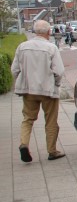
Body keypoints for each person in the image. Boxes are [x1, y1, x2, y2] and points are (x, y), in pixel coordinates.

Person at [11, 20, 66, 162]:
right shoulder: (51, 48)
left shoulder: (22, 47)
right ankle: (52, 151)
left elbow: (15, 69)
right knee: (51, 121)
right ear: (48, 32)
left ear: (35, 31)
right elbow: (59, 71)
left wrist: (22, 82)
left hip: (29, 90)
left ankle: (24, 143)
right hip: (48, 90)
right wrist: (56, 85)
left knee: (28, 119)